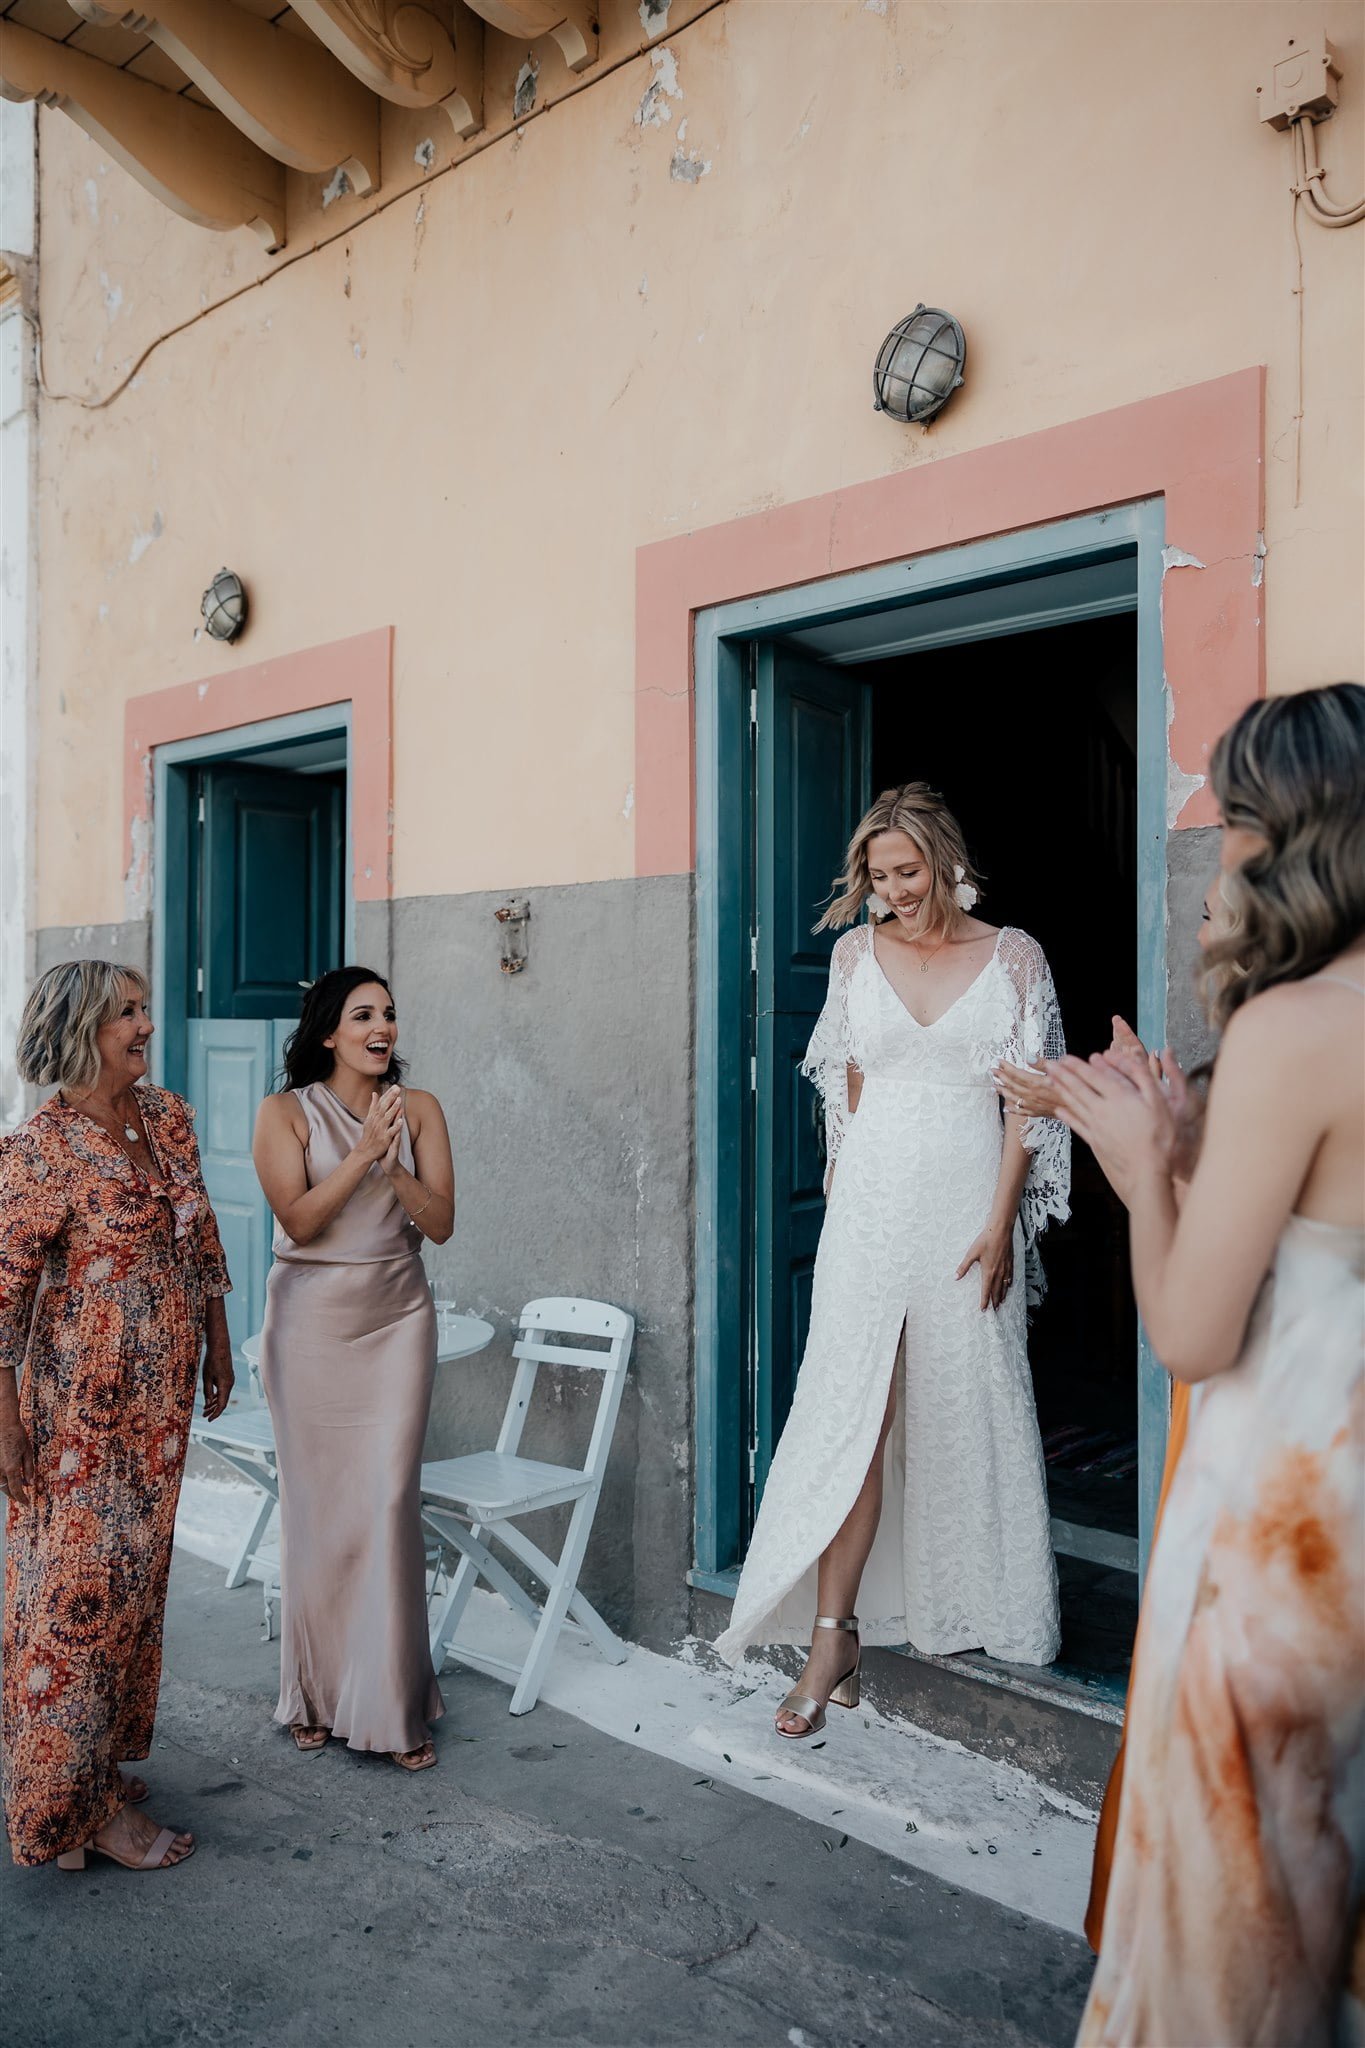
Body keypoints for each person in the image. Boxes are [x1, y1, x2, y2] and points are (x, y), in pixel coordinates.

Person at [1006, 684, 1364, 2046]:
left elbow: (1190, 1335)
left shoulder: (1296, 1028)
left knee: (1233, 1939)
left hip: (1277, 1526)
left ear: (1299, 832)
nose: (1222, 850)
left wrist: (1139, 1165)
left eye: (1234, 821)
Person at [715, 782, 1070, 1736]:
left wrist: (1000, 1225)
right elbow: (847, 1084)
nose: (894, 892)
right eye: (878, 877)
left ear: (945, 862)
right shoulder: (852, 954)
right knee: (853, 1414)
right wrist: (844, 1194)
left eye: (907, 872)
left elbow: (1027, 1103)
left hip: (966, 1210)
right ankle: (833, 1637)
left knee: (968, 1397)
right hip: (870, 1217)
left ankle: (978, 1607)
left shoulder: (1013, 956)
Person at [0, 960, 233, 1872]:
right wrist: (8, 1429)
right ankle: (74, 1813)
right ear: (81, 1029)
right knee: (75, 1605)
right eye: (126, 1013)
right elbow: (1, 1305)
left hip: (158, 1409)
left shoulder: (166, 1116)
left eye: (144, 1007)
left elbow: (200, 1234)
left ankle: (89, 1767)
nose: (147, 1025)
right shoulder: (39, 1151)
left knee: (131, 1592)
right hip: (80, 1419)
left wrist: (216, 1340)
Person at [253, 966, 455, 1771]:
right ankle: (313, 1694)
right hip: (308, 1327)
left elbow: (440, 1224)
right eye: (364, 1015)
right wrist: (362, 1152)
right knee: (317, 1514)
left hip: (397, 1320)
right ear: (329, 1033)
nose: (383, 1028)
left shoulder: (421, 1109)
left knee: (386, 1505)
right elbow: (299, 1221)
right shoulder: (282, 1114)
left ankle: (392, 1704)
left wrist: (393, 1163)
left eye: (390, 1015)